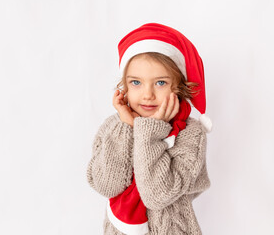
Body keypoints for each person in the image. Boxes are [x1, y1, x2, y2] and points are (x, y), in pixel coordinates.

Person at [87, 23, 212, 235]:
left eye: (160, 83)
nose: (147, 94)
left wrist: (150, 132)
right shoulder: (114, 127)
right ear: (124, 87)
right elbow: (107, 185)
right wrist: (127, 126)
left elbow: (157, 195)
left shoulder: (191, 134)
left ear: (179, 87)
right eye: (136, 82)